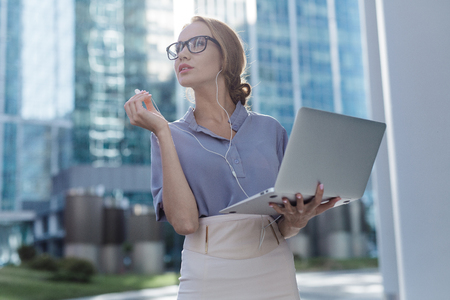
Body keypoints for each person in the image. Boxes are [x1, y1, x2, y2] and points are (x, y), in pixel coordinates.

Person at [124, 15, 341, 300]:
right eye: (178, 48)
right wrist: (163, 132)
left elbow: (284, 224)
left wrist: (298, 219)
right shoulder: (168, 134)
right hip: (207, 271)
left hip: (274, 268)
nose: (183, 53)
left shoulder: (270, 130)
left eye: (197, 43)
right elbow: (185, 224)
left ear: (226, 56)